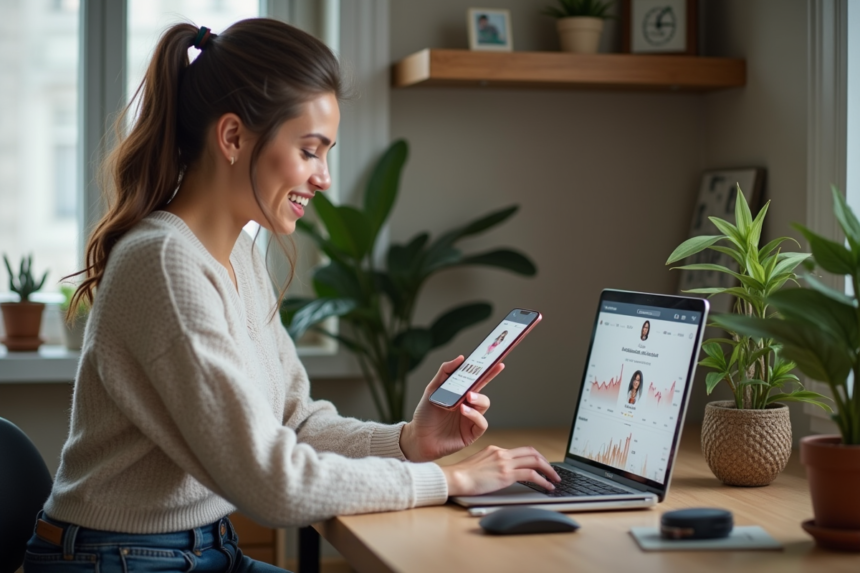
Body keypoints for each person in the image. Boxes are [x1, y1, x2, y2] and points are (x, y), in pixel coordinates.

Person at [24, 19, 559, 573]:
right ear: (232, 138)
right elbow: (271, 483)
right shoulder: (164, 263)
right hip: (118, 561)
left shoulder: (239, 256)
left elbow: (295, 423)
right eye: (309, 150)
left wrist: (406, 441)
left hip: (199, 550)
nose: (324, 178)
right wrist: (446, 481)